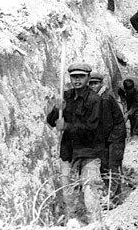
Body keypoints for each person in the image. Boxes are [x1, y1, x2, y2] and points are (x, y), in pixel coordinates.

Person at [45, 63, 103, 224]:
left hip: (88, 151)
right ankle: (74, 223)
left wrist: (68, 126)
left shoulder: (94, 99)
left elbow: (92, 127)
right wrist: (56, 109)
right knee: (68, 193)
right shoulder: (66, 96)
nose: (77, 80)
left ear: (88, 78)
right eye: (74, 77)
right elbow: (51, 122)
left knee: (90, 191)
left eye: (81, 76)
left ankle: (95, 224)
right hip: (68, 151)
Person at [88, 72, 126, 206]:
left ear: (101, 84)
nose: (93, 86)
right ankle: (110, 192)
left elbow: (106, 124)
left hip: (115, 135)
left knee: (113, 165)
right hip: (106, 136)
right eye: (90, 83)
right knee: (104, 165)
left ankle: (115, 197)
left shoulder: (104, 99)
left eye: (95, 83)